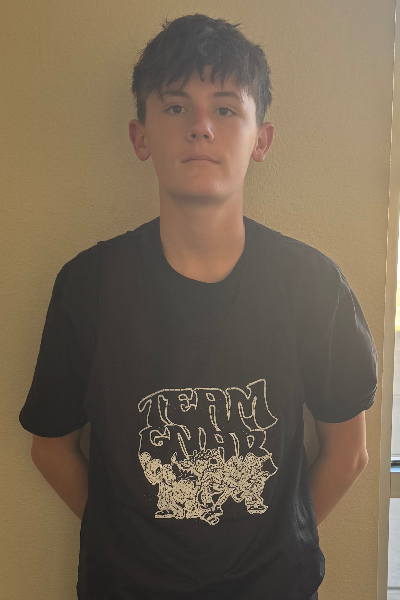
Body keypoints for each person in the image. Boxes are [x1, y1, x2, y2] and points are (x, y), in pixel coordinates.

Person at [19, 13, 378, 600]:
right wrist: (127, 546)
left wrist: (272, 548)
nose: (201, 128)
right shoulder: (88, 285)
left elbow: (349, 453)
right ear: (140, 137)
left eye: (226, 109)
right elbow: (51, 447)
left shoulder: (313, 285)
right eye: (175, 106)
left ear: (261, 140)